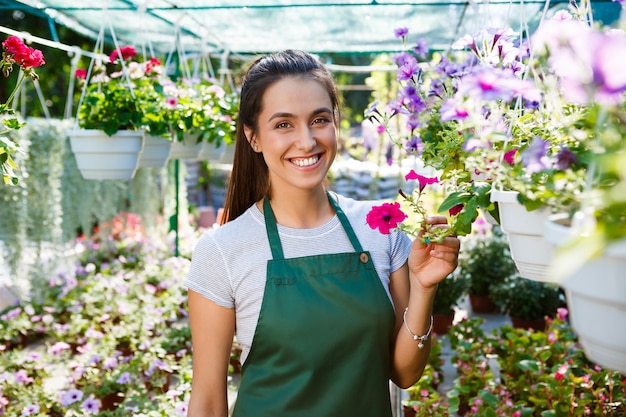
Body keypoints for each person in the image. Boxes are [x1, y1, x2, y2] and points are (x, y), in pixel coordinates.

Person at [185, 49, 460, 417]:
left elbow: (405, 373)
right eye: (283, 124)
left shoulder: (378, 228)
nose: (307, 141)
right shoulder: (223, 250)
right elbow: (206, 402)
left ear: (335, 122)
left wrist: (423, 288)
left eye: (318, 119)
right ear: (253, 138)